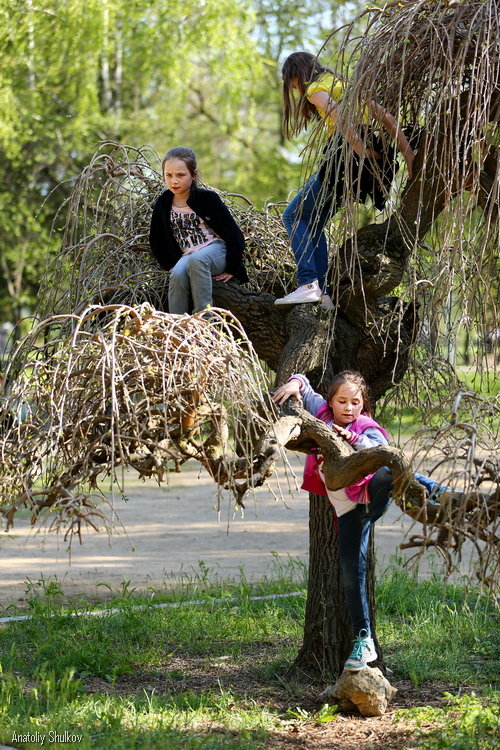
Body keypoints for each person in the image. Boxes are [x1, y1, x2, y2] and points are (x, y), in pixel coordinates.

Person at [271, 370, 452, 671]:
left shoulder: (366, 427)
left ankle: (441, 494)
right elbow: (302, 381)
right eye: (341, 401)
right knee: (351, 575)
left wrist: (353, 438)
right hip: (346, 510)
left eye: (355, 402)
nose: (348, 407)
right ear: (331, 401)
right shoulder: (322, 414)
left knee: (387, 470)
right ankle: (363, 640)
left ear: (363, 404)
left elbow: (377, 450)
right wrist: (293, 384)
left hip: (369, 497)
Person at [275, 51, 416, 308]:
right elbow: (387, 118)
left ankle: (308, 284)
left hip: (340, 162)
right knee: (313, 224)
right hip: (353, 175)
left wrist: (358, 147)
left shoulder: (316, 89)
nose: (294, 89)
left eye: (292, 84)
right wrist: (409, 157)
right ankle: (324, 294)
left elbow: (335, 111)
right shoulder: (348, 86)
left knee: (293, 216)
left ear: (297, 75)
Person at [149, 146, 248, 315]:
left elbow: (235, 235)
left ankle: (205, 320)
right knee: (177, 274)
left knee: (198, 260)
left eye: (181, 175)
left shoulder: (207, 199)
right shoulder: (163, 203)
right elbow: (156, 239)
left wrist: (232, 267)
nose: (174, 181)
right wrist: (171, 263)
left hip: (216, 251)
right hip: (188, 255)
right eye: (169, 175)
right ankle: (177, 325)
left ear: (193, 175)